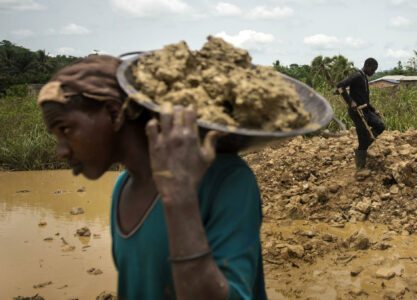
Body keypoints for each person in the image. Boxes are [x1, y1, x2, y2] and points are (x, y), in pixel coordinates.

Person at [37, 55, 266, 300]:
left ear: (114, 114)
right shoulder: (122, 188)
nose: (61, 151)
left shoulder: (225, 178)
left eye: (65, 129)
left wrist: (180, 198)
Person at [336, 57, 385, 169]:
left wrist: (374, 110)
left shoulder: (364, 77)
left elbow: (364, 99)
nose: (374, 72)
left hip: (365, 110)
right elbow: (339, 86)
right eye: (373, 69)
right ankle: (360, 166)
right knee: (363, 137)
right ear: (367, 66)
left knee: (380, 126)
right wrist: (350, 101)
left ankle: (362, 149)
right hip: (357, 112)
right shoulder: (357, 75)